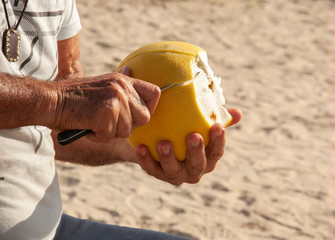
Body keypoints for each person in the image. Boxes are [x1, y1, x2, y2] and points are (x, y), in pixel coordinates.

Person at [0, 0, 242, 239]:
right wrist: (60, 101)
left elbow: (54, 127)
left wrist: (139, 146)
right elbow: (57, 104)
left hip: (49, 227)